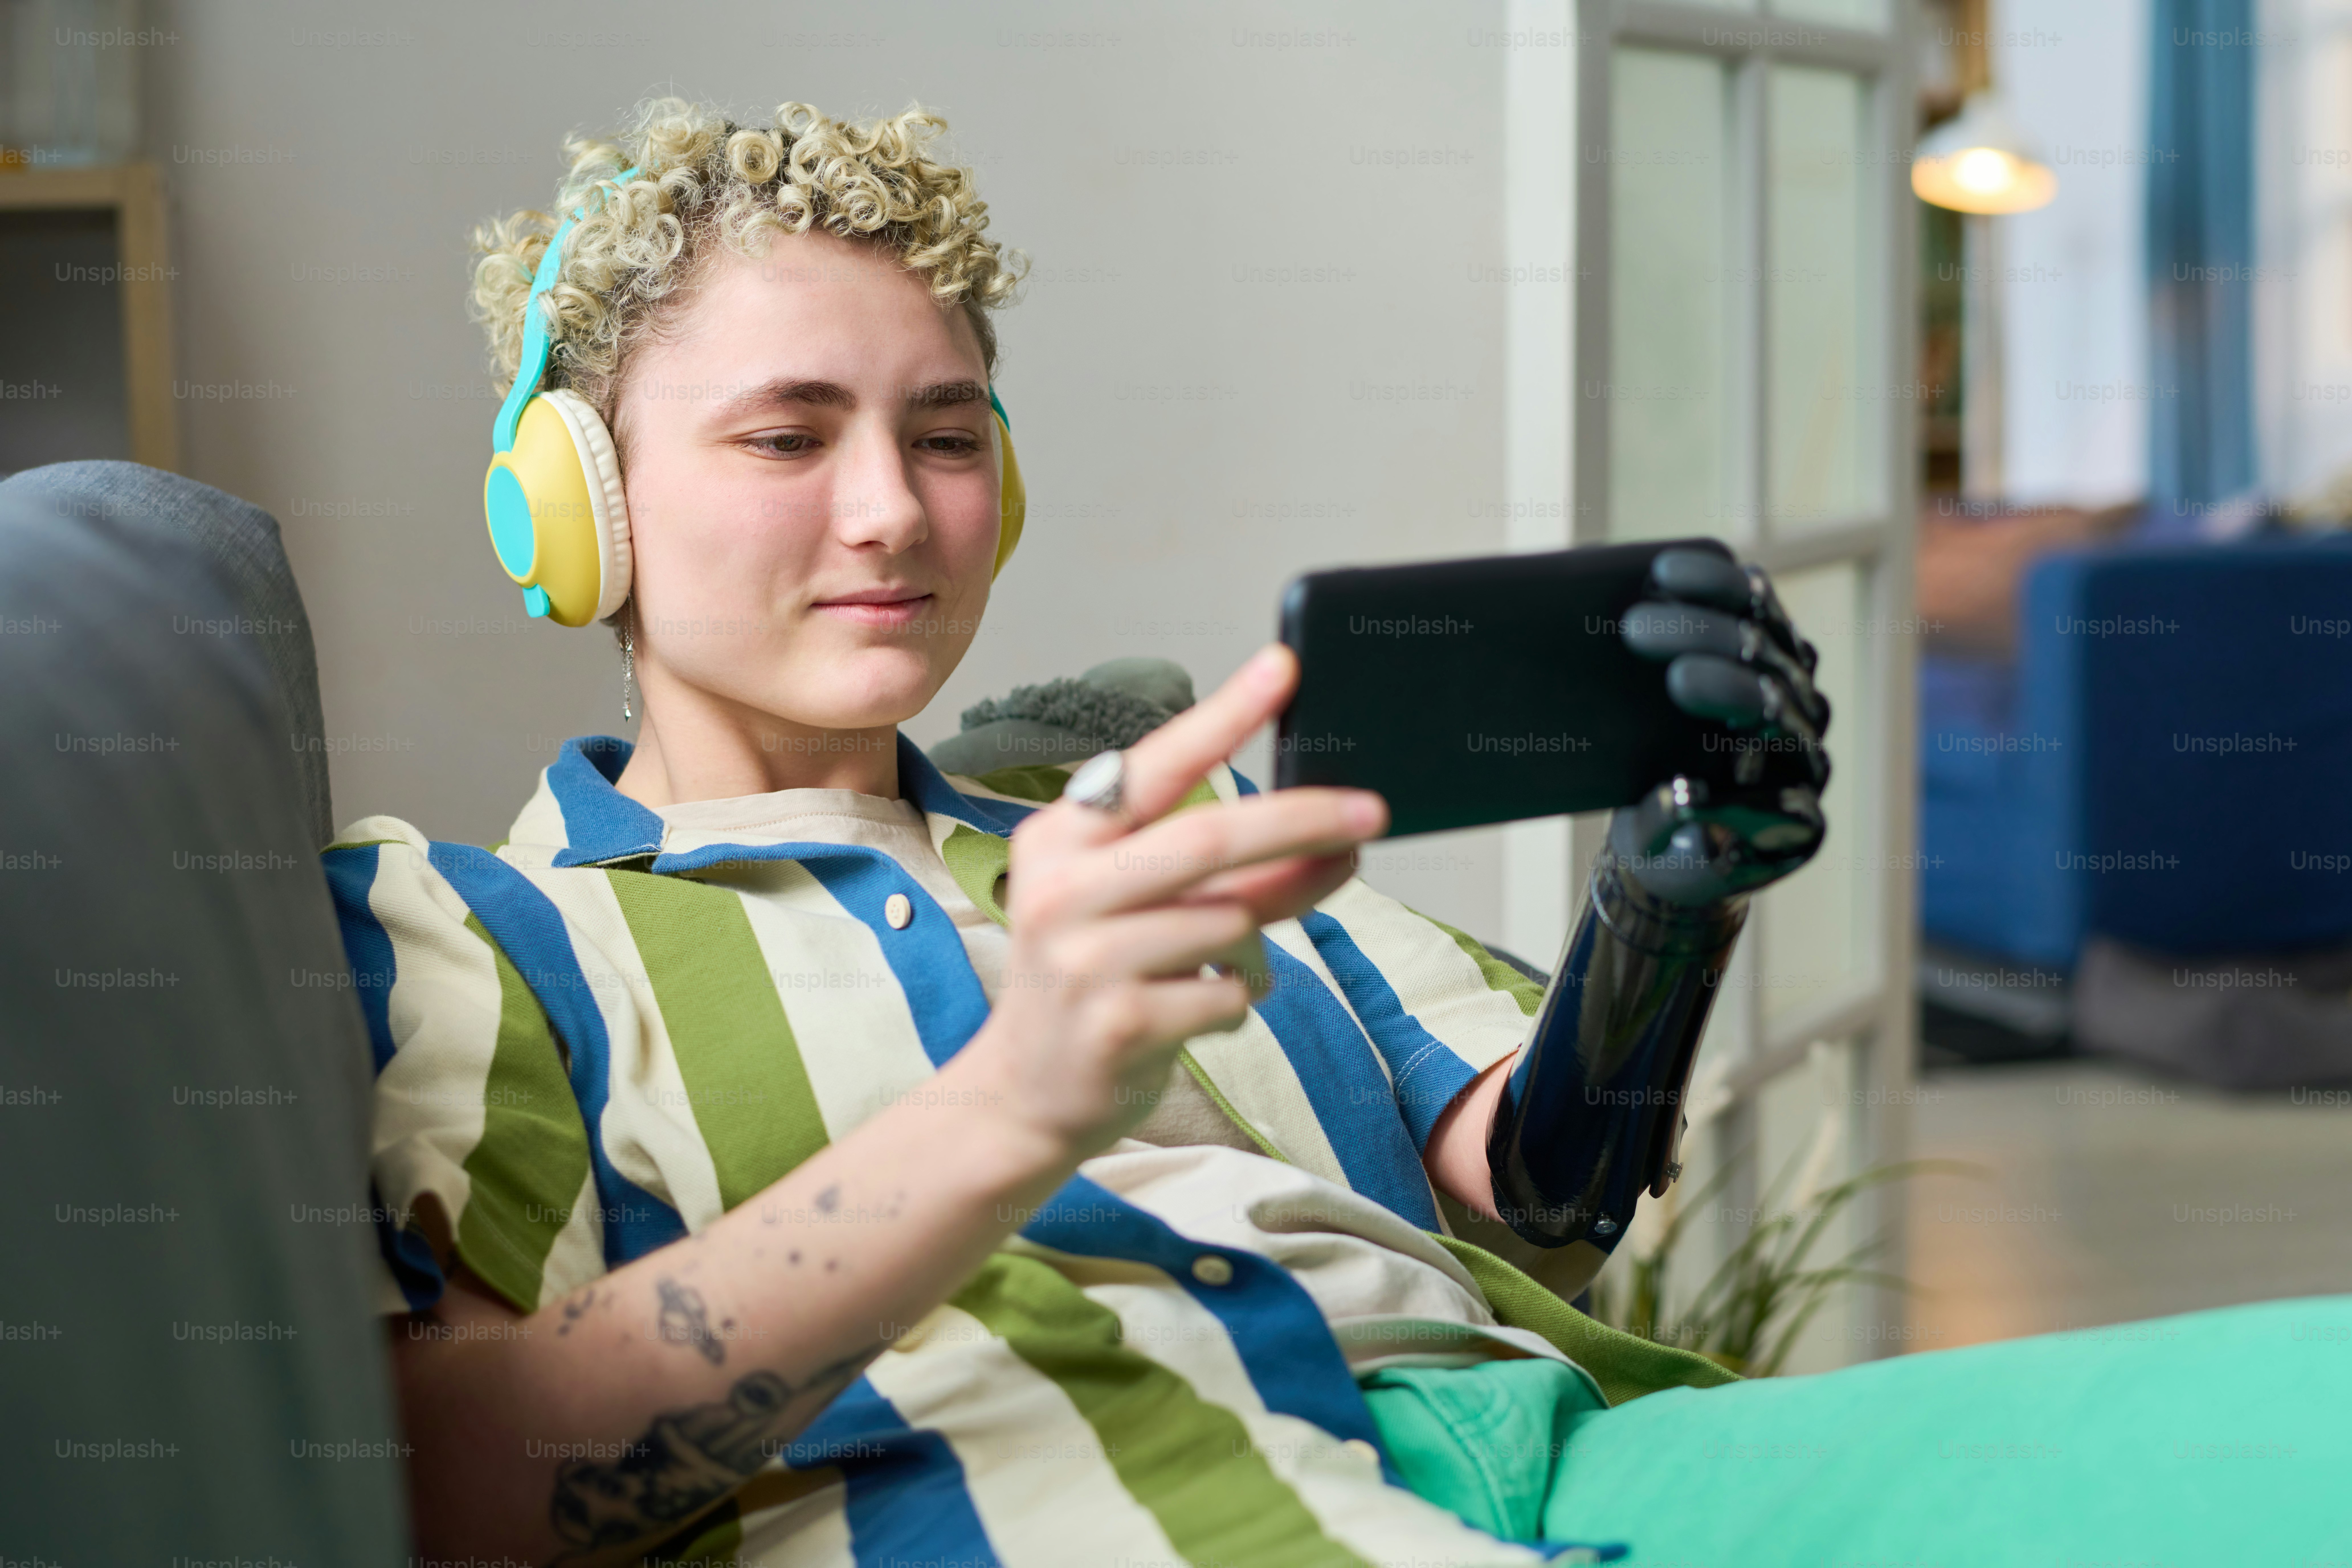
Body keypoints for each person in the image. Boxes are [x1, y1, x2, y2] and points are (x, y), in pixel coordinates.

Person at [341, 97, 2349, 1568]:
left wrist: (1666, 910)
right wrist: (1017, 1098)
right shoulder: (468, 928)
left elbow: (1535, 1200)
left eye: (947, 435)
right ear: (567, 507)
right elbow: (467, 1486)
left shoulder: (1152, 817)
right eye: (789, 437)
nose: (891, 511)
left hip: (1565, 1468)